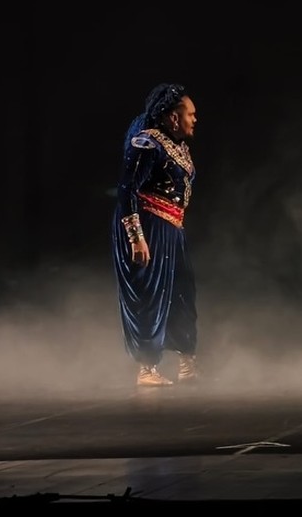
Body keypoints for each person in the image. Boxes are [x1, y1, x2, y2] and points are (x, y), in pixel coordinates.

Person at [112, 82, 200, 387]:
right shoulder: (146, 143)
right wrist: (136, 236)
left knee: (182, 293)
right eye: (190, 114)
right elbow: (127, 190)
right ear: (173, 116)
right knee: (151, 294)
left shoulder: (179, 147)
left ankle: (186, 361)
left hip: (173, 226)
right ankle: (146, 368)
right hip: (149, 224)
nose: (194, 119)